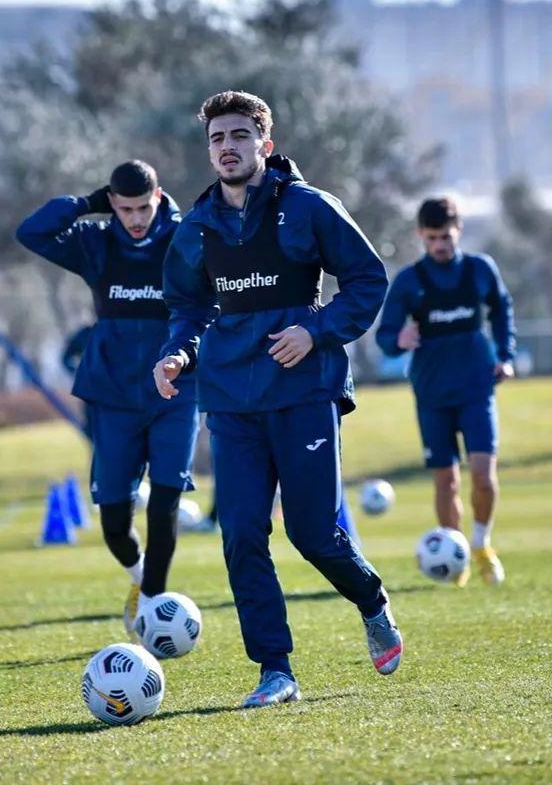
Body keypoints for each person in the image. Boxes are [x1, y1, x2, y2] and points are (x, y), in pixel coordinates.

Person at [154, 90, 401, 709]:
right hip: (231, 400)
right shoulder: (195, 228)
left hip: (303, 391)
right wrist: (178, 353)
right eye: (217, 138)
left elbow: (367, 280)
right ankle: (275, 670)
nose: (228, 147)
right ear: (208, 151)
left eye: (240, 135)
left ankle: (371, 600)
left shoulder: (309, 207)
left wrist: (315, 330)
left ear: (265, 143)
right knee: (240, 533)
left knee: (313, 534)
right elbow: (187, 307)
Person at [18, 161, 198, 631]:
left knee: (166, 499)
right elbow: (31, 232)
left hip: (175, 391)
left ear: (158, 198)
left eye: (143, 208)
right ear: (112, 204)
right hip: (113, 395)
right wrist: (85, 204)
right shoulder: (94, 242)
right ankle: (141, 579)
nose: (135, 219)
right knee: (115, 522)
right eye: (124, 209)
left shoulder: (184, 238)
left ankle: (153, 604)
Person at [376, 196, 515, 585]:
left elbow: (502, 310)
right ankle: (456, 556)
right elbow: (385, 336)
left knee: (483, 476)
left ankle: (481, 545)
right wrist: (399, 339)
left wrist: (505, 356)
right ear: (421, 235)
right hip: (432, 394)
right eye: (433, 237)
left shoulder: (479, 270)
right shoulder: (409, 281)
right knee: (446, 480)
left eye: (446, 237)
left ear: (459, 231)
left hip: (476, 389)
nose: (440, 245)